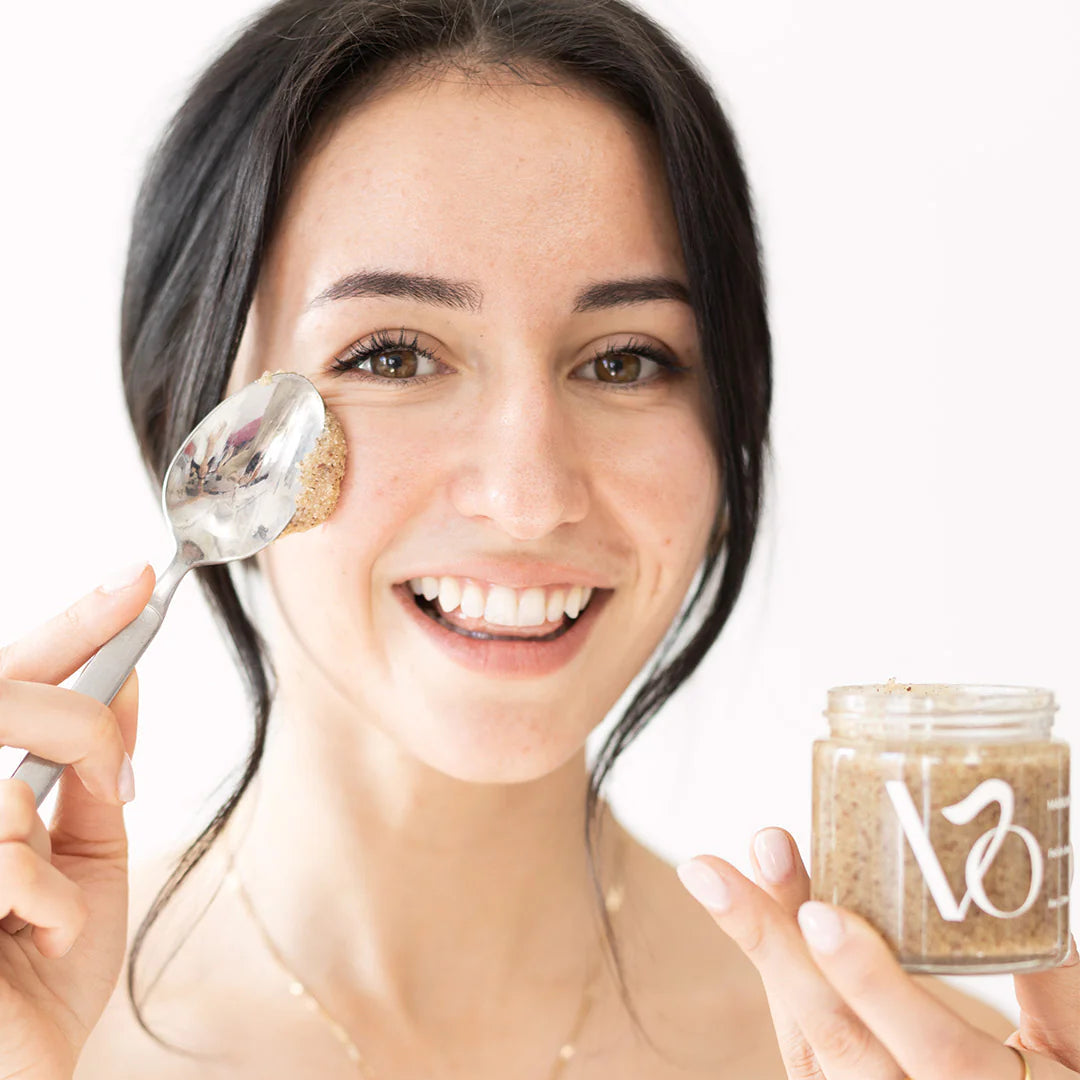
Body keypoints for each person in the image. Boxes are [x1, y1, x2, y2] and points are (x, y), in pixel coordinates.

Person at [0, 1, 1075, 1077]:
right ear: (191, 419)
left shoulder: (937, 1063)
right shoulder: (38, 1029)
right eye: (392, 356)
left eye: (624, 361)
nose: (528, 496)